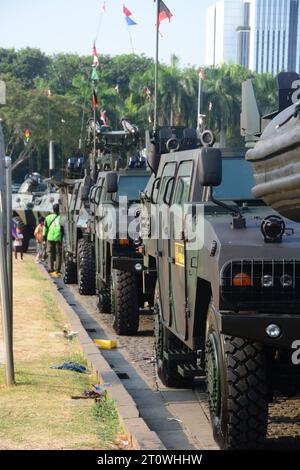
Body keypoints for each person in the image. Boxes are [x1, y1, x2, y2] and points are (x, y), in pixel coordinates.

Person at [43, 204, 63, 276]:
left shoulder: (48, 217)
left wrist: (44, 236)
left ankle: (50, 269)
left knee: (50, 253)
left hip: (50, 237)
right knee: (59, 253)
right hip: (58, 237)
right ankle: (57, 270)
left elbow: (45, 227)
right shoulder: (62, 217)